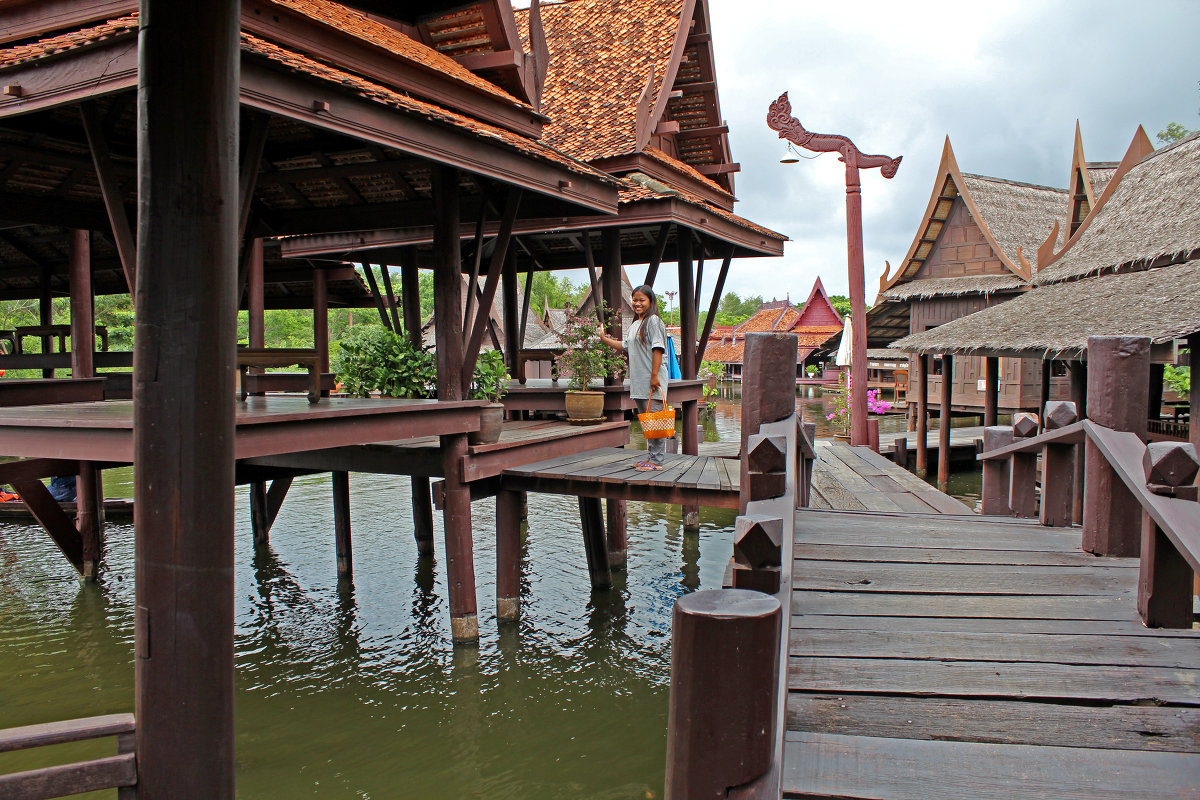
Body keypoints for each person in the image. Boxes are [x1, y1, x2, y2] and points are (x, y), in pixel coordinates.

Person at [598, 285, 670, 471]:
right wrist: (604, 339)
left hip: (652, 380)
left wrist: (654, 376)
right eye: (634, 299)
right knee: (648, 421)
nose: (637, 303)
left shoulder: (653, 321)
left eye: (641, 300)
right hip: (639, 381)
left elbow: (658, 349)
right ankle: (651, 457)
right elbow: (625, 345)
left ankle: (657, 461)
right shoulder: (637, 323)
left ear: (651, 301)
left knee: (656, 420)